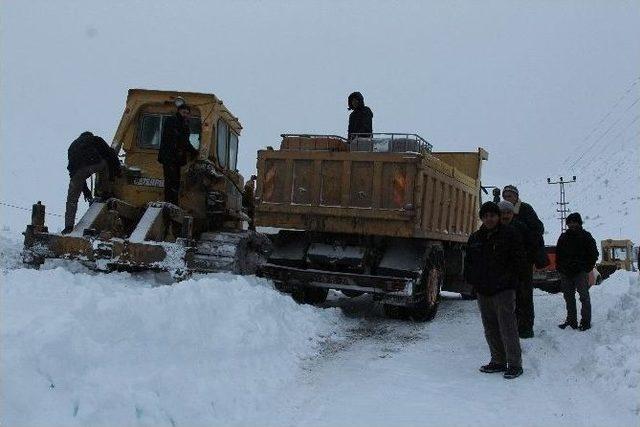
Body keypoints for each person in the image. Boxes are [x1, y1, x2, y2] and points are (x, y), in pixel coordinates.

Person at [465, 201, 526, 379]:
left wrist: (512, 281)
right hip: (484, 289)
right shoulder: (475, 238)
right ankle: (498, 361)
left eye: (492, 215)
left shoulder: (510, 234)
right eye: (485, 216)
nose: (489, 219)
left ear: (498, 217)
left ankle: (514, 364)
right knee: (490, 326)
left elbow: (519, 261)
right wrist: (472, 281)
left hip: (504, 289)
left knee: (508, 327)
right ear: (482, 218)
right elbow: (469, 262)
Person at [502, 184, 545, 338]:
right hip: (507, 262)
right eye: (505, 196)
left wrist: (527, 248)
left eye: (510, 196)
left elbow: (538, 229)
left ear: (516, 196)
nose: (507, 198)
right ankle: (511, 327)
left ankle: (526, 328)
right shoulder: (501, 211)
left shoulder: (525, 209)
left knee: (524, 295)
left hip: (524, 262)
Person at [63, 131, 120, 234]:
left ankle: (68, 227)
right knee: (104, 165)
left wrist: (86, 192)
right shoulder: (96, 139)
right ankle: (105, 192)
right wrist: (116, 172)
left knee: (72, 200)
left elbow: (74, 170)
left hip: (78, 172)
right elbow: (110, 154)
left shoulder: (73, 145)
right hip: (94, 164)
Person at [556, 212, 599, 331]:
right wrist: (560, 268)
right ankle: (571, 322)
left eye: (574, 222)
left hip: (580, 273)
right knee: (568, 298)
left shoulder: (586, 236)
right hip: (565, 273)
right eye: (570, 222)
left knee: (584, 298)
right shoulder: (563, 237)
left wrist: (587, 268)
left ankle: (585, 322)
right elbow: (558, 254)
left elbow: (594, 254)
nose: (572, 224)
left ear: (579, 223)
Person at [158, 104, 198, 205]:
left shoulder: (184, 124)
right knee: (170, 180)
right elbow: (179, 140)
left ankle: (173, 202)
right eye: (184, 112)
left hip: (176, 158)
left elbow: (185, 141)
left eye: (187, 113)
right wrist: (192, 151)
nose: (185, 115)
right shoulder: (173, 121)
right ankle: (169, 202)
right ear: (179, 111)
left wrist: (193, 151)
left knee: (175, 181)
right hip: (170, 156)